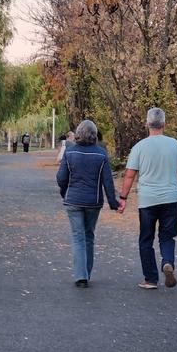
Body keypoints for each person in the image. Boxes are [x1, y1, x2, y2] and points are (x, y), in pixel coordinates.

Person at [118, 108, 177, 290]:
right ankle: (168, 262)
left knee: (146, 239)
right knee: (167, 236)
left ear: (147, 124)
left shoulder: (139, 147)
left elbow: (129, 175)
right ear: (164, 124)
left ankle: (150, 279)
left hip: (148, 201)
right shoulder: (175, 144)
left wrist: (123, 197)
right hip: (171, 198)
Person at [57, 120, 121, 287]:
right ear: (94, 135)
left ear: (78, 133)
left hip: (73, 200)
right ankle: (87, 272)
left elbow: (61, 177)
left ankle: (81, 276)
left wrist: (65, 192)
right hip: (93, 201)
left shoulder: (70, 152)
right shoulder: (101, 154)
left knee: (78, 237)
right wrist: (114, 203)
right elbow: (107, 181)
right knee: (89, 236)